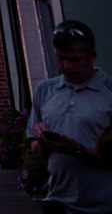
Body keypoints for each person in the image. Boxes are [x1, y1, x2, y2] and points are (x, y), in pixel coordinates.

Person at [29, 20, 112, 214]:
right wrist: (42, 141)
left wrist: (78, 150)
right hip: (59, 202)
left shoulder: (108, 91)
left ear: (92, 56)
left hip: (103, 204)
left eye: (74, 60)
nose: (66, 67)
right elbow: (36, 152)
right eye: (60, 59)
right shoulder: (45, 90)